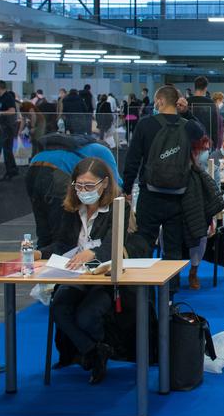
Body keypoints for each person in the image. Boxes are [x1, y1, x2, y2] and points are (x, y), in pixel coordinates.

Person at [46, 157, 136, 384]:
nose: (83, 191)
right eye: (78, 186)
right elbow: (63, 245)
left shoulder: (119, 207)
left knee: (87, 316)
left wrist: (92, 253)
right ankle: (95, 351)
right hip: (75, 275)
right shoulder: (71, 209)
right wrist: (38, 253)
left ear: (104, 183)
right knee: (58, 306)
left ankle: (94, 352)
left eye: (88, 186)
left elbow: (112, 246)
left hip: (104, 276)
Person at [121, 85, 209, 275]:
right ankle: (169, 296)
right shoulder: (187, 126)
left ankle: (143, 292)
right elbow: (202, 133)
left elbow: (133, 159)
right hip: (178, 195)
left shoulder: (145, 125)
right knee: (173, 249)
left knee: (144, 243)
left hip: (149, 194)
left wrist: (127, 188)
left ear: (159, 101)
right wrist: (187, 113)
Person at [0, 81, 19, 180]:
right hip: (2, 127)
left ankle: (10, 171)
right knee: (6, 149)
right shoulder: (0, 98)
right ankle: (12, 170)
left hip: (8, 127)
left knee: (6, 149)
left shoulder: (8, 97)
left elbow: (12, 111)